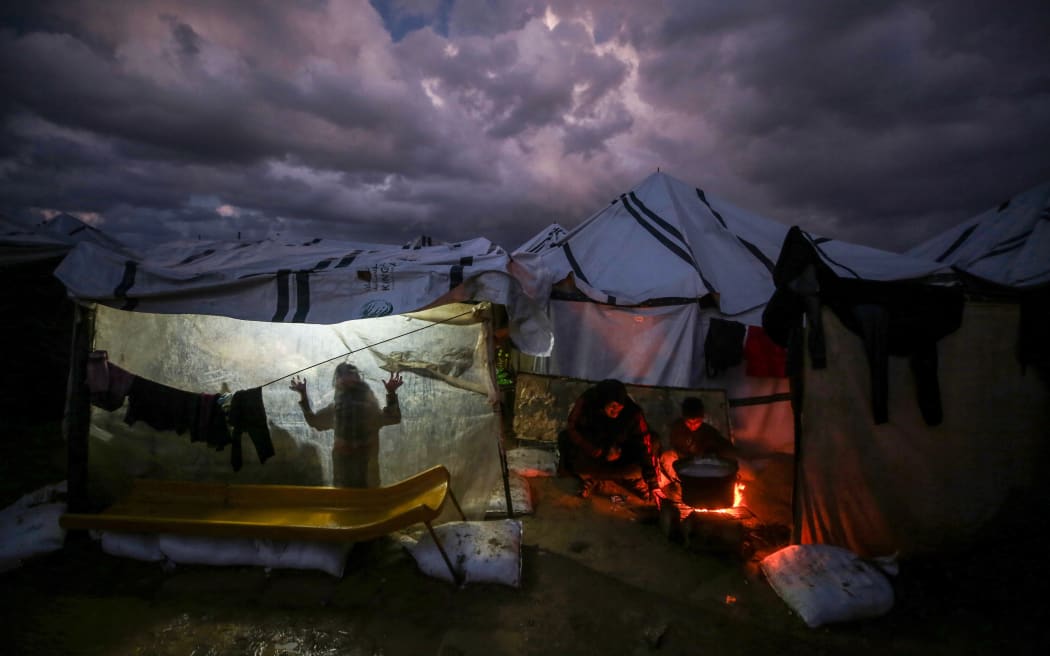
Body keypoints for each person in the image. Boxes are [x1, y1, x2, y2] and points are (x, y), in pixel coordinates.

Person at [290, 363, 403, 488]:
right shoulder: (336, 409)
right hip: (345, 479)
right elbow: (314, 421)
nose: (346, 378)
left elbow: (393, 418)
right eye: (342, 375)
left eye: (350, 374)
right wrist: (303, 395)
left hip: (366, 481)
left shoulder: (368, 408)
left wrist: (392, 393)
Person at [557, 379, 658, 501]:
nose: (616, 411)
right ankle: (594, 478)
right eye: (613, 406)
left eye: (619, 408)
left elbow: (643, 441)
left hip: (620, 458)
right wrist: (596, 450)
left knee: (653, 442)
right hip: (593, 455)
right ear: (603, 401)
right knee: (565, 439)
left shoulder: (632, 413)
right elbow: (572, 428)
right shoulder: (588, 402)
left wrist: (652, 481)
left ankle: (598, 478)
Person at [656, 396, 737, 498]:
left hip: (701, 466)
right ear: (684, 418)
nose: (693, 426)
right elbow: (675, 449)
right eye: (689, 422)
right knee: (667, 456)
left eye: (697, 422)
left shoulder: (708, 431)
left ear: (702, 418)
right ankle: (682, 484)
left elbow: (724, 447)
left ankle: (701, 489)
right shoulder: (677, 427)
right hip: (682, 465)